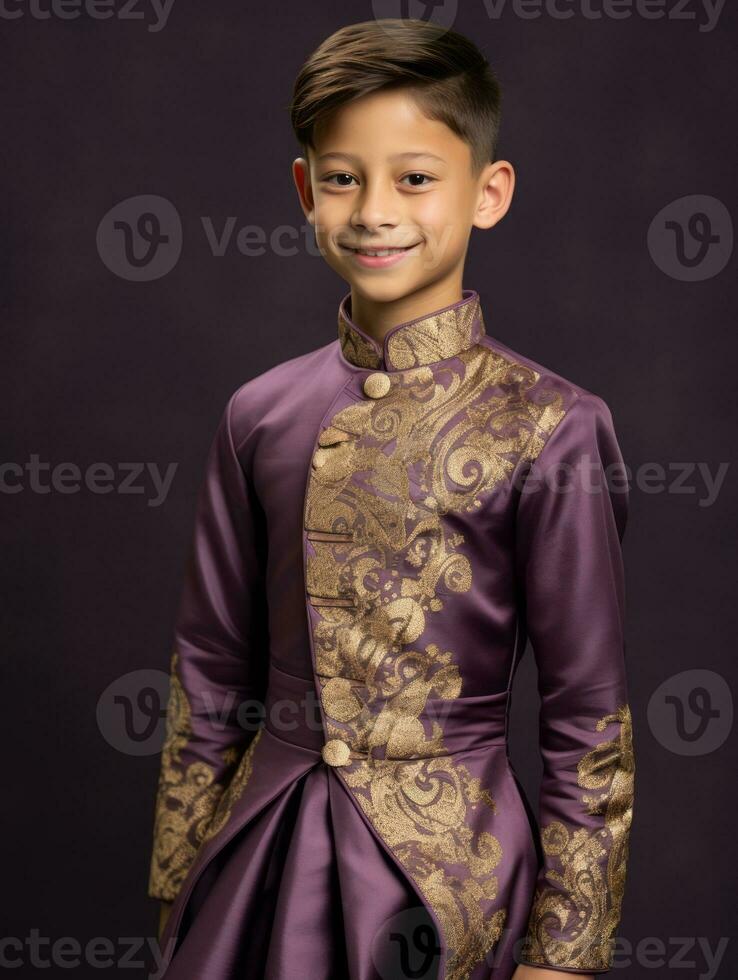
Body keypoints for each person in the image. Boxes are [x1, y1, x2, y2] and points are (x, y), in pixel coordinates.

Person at [147, 18, 635, 980]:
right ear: (305, 192)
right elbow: (207, 672)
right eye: (342, 177)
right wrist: (179, 889)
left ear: (487, 193)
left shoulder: (551, 426)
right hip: (259, 858)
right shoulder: (261, 413)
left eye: (415, 178)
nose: (375, 210)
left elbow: (589, 714)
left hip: (452, 882)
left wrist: (565, 956)